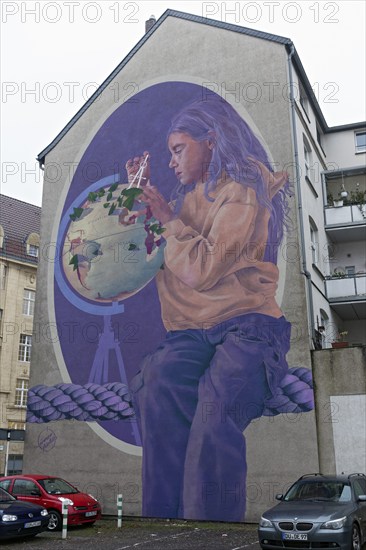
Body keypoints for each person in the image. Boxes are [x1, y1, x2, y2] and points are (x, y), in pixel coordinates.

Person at [127, 96, 291, 521]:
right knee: (156, 386)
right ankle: (162, 528)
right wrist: (135, 197)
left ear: (211, 142)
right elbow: (143, 252)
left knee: (213, 415)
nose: (172, 162)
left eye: (179, 149)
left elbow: (202, 268)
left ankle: (208, 534)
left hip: (249, 328)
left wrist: (165, 216)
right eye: (168, 153)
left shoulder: (244, 189)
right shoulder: (182, 204)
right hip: (192, 333)